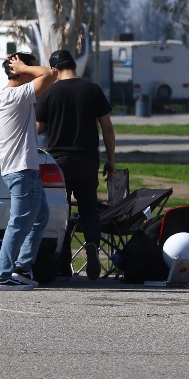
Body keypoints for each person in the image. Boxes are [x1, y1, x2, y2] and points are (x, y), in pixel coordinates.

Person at [36, 49, 116, 281]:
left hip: (59, 161)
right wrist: (111, 160)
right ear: (75, 66)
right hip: (87, 159)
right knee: (89, 208)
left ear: (53, 69)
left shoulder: (49, 94)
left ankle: (62, 261)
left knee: (62, 211)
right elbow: (107, 128)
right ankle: (91, 244)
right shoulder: (92, 90)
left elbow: (37, 129)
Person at [0, 52, 56, 290]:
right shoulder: (16, 96)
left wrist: (23, 68)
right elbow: (49, 75)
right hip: (22, 169)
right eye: (27, 71)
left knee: (40, 217)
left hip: (20, 169)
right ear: (21, 72)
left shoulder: (4, 96)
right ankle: (3, 275)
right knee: (19, 222)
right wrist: (23, 67)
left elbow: (49, 76)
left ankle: (22, 268)